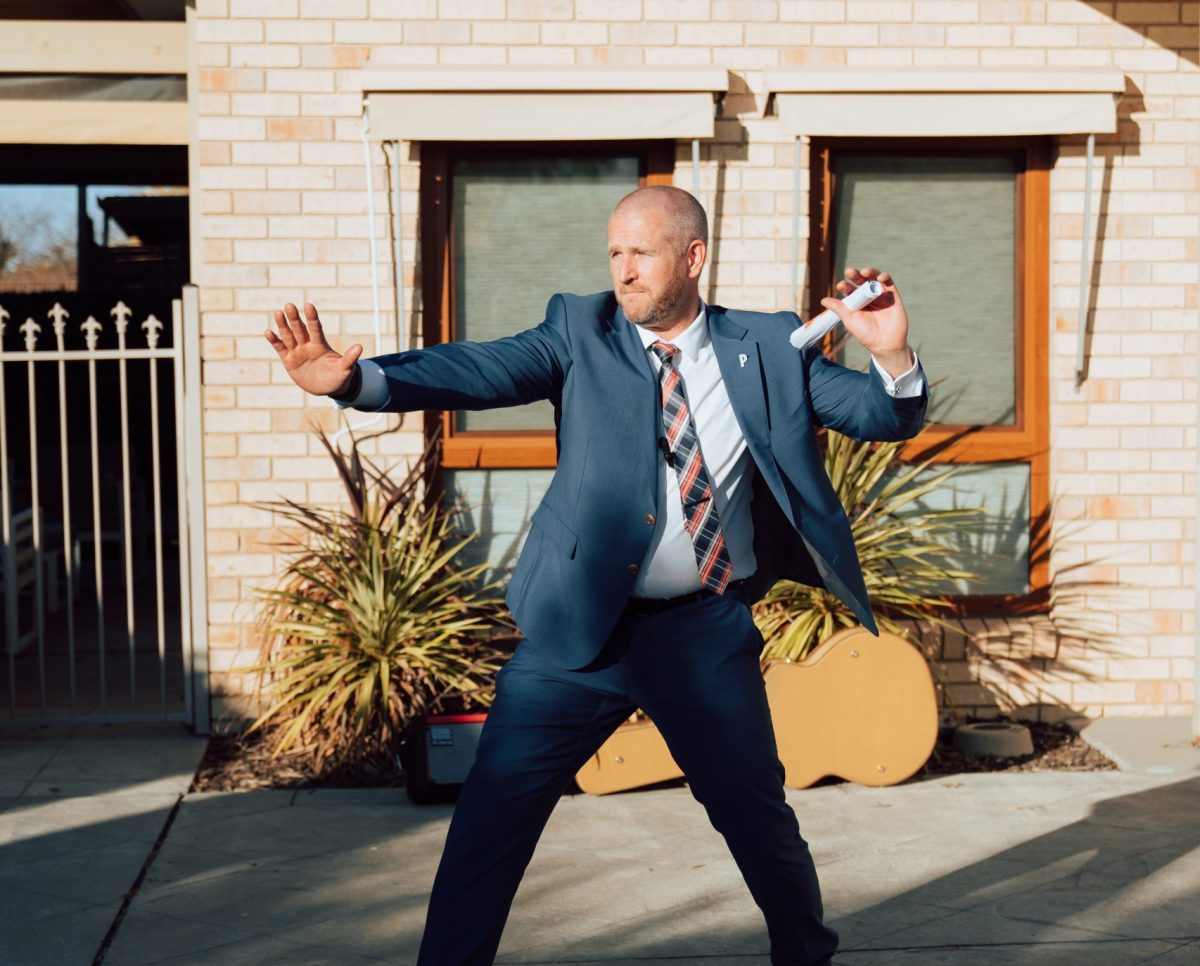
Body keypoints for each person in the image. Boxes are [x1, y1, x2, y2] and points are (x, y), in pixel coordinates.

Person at [266, 185, 928, 966]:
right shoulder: (579, 331)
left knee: (757, 820)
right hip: (577, 636)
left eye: (640, 252)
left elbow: (885, 416)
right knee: (490, 823)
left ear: (693, 256)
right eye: (614, 252)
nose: (623, 269)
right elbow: (477, 371)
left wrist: (888, 352)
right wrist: (354, 382)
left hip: (704, 634)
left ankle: (805, 954)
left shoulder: (769, 345)